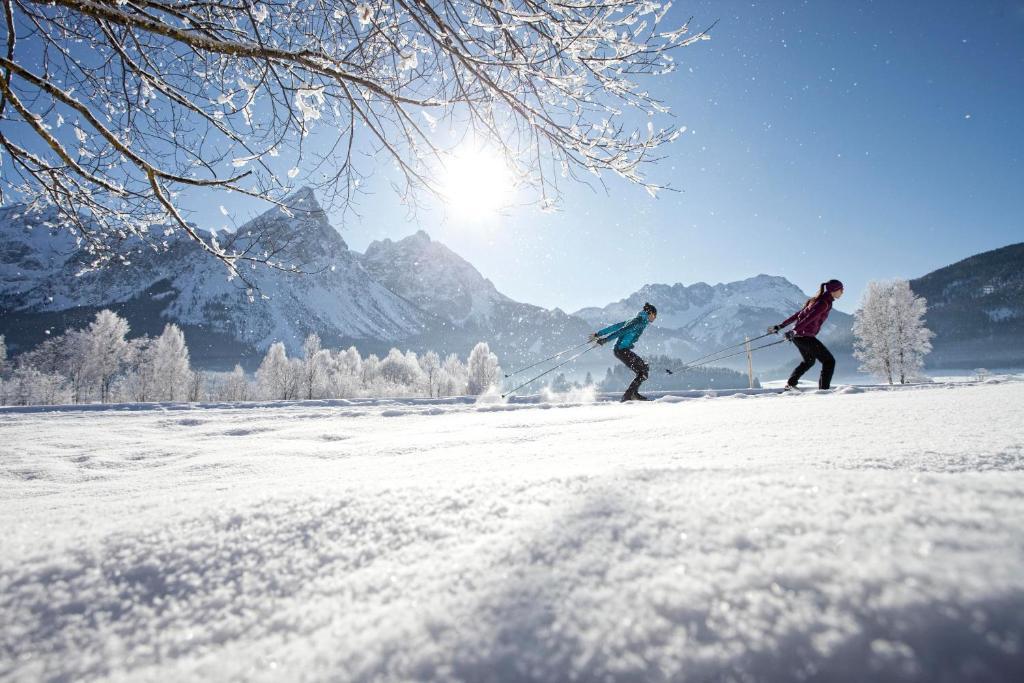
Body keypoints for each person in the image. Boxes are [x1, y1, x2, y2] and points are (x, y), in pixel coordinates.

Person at [769, 280, 844, 391]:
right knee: (829, 361)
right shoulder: (824, 303)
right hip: (804, 336)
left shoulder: (816, 300)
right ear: (834, 290)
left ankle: (791, 384)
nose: (842, 292)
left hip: (799, 337)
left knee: (809, 361)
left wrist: (781, 326)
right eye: (841, 289)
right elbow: (809, 318)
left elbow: (798, 315)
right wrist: (794, 330)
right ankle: (824, 391)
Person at [592, 302, 657, 401]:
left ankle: (632, 393)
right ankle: (628, 396)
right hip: (621, 350)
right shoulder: (638, 322)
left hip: (622, 350)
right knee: (643, 371)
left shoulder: (637, 320)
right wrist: (605, 339)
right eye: (654, 315)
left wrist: (599, 333)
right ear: (650, 313)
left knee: (643, 370)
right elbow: (621, 331)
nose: (654, 318)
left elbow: (616, 326)